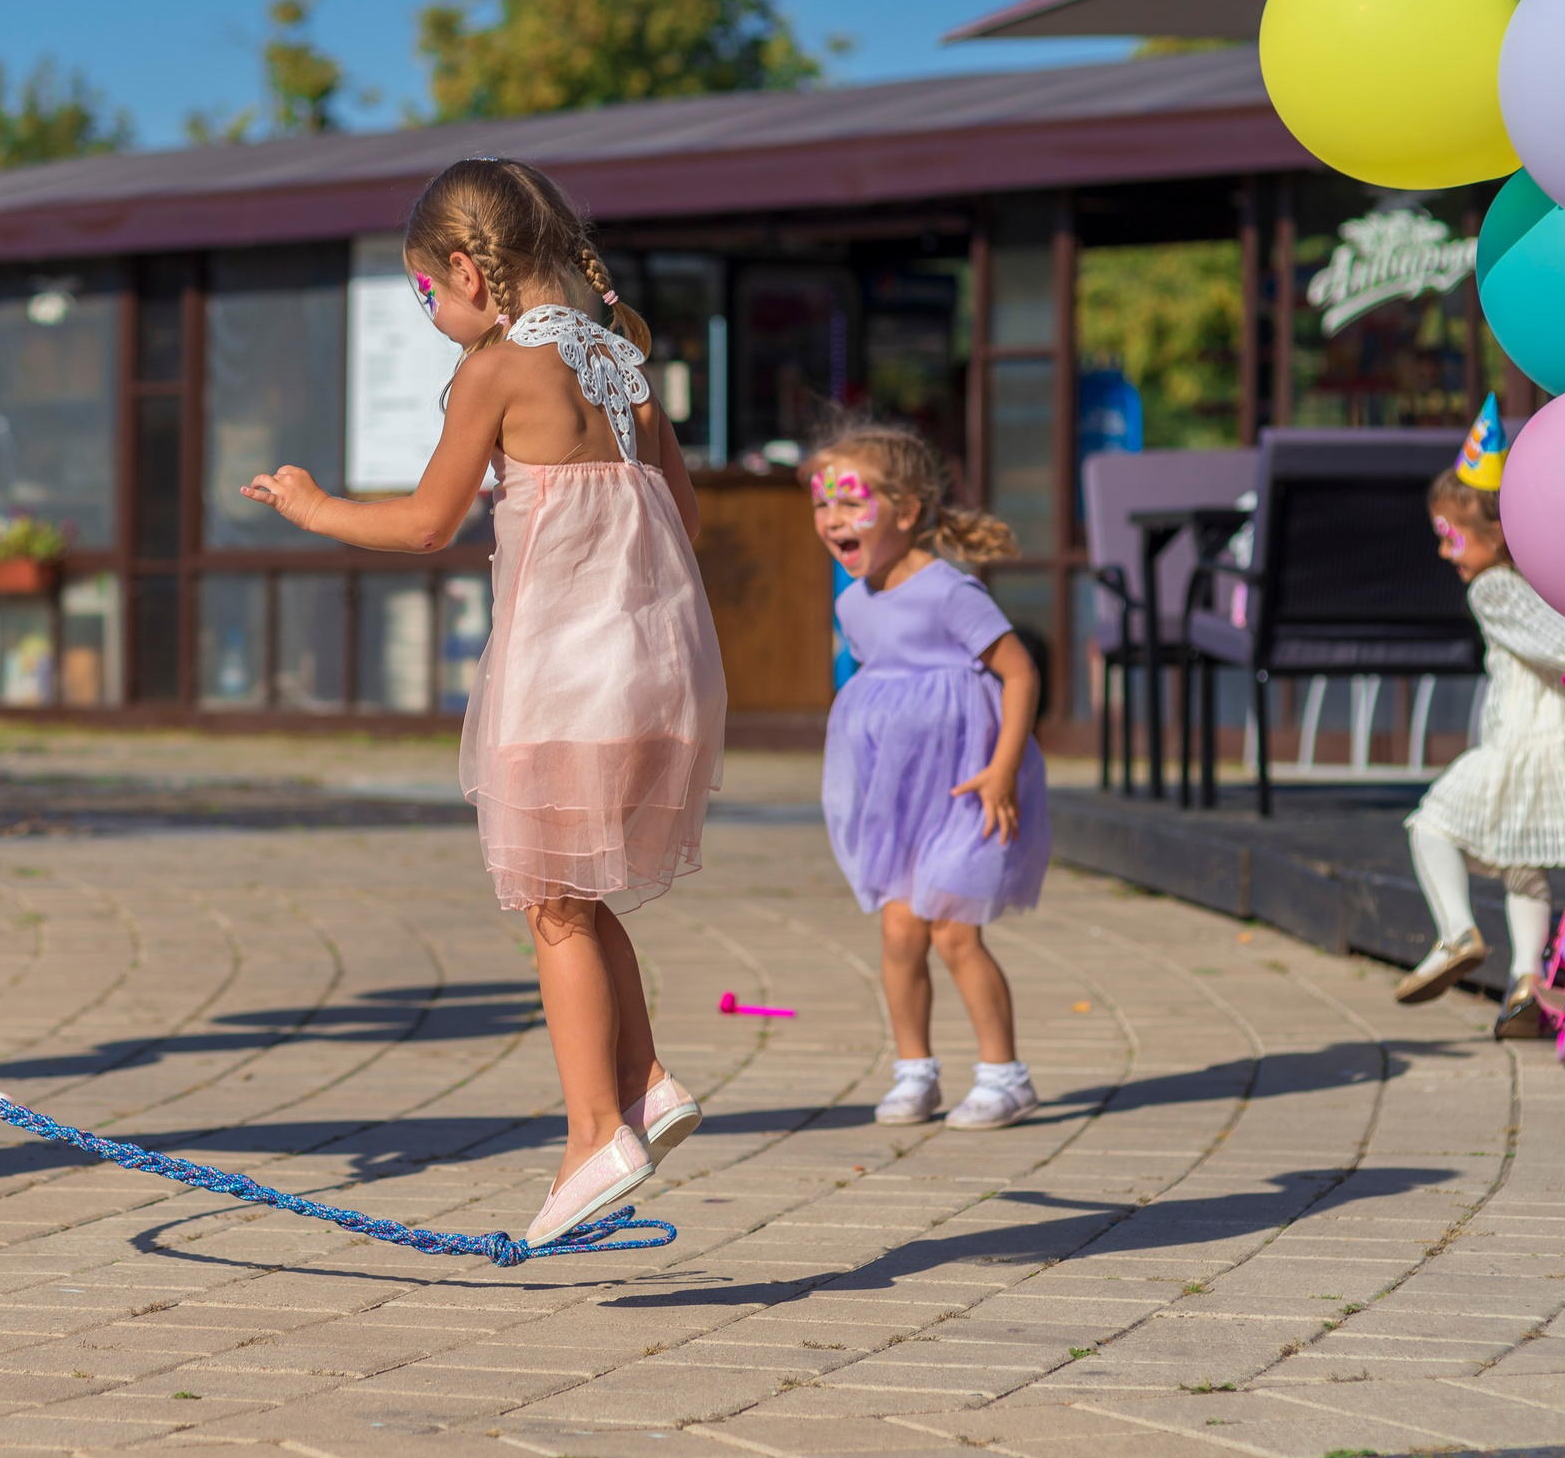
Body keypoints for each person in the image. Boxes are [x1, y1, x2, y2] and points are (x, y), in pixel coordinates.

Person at [237, 158, 725, 1249]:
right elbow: (682, 516)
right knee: (576, 887)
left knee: (550, 903)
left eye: (427, 296)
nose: (433, 318)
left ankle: (594, 1133)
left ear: (466, 271)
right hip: (660, 665)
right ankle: (645, 1080)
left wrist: (314, 508)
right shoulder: (622, 364)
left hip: (566, 670)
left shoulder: (498, 369)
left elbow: (425, 522)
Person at [808, 421, 1046, 1130]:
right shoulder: (853, 603)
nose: (833, 519)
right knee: (900, 933)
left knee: (953, 932)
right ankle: (914, 1073)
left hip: (969, 788)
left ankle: (1005, 1077)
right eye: (822, 503)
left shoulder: (949, 591)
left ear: (907, 511)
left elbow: (1019, 673)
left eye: (851, 502)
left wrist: (1003, 770)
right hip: (901, 801)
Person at [1394, 397, 1565, 1032]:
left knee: (1431, 824)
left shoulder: (1493, 587)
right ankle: (1525, 979)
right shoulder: (1556, 578)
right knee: (1523, 862)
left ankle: (1456, 934)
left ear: (1497, 532)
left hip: (1529, 743)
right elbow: (1556, 623)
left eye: (1452, 537)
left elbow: (1532, 629)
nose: (1447, 553)